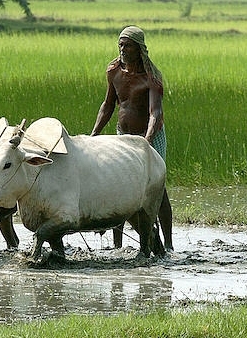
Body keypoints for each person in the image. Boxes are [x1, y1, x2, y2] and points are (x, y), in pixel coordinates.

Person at [90, 25, 173, 251]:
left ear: (139, 49)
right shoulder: (114, 72)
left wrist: (146, 141)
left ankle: (169, 243)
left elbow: (155, 112)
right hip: (123, 135)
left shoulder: (151, 78)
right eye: (121, 44)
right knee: (121, 187)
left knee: (157, 188)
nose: (123, 49)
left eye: (128, 45)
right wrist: (94, 134)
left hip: (149, 137)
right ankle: (118, 246)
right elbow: (108, 106)